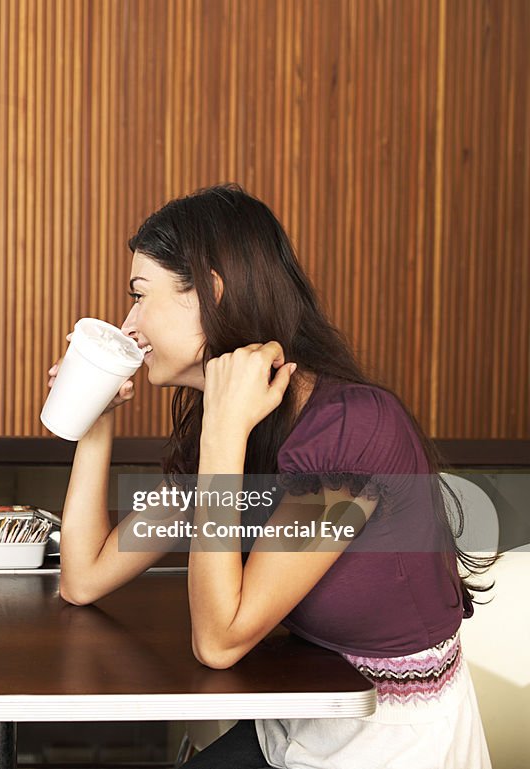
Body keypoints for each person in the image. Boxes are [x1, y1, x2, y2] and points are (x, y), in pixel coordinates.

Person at [51, 184, 492, 768]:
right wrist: (97, 418)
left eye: (139, 295)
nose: (128, 322)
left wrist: (223, 439)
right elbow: (84, 577)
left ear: (209, 293)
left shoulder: (350, 433)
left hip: (391, 740)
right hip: (294, 723)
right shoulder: (239, 421)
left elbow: (219, 640)